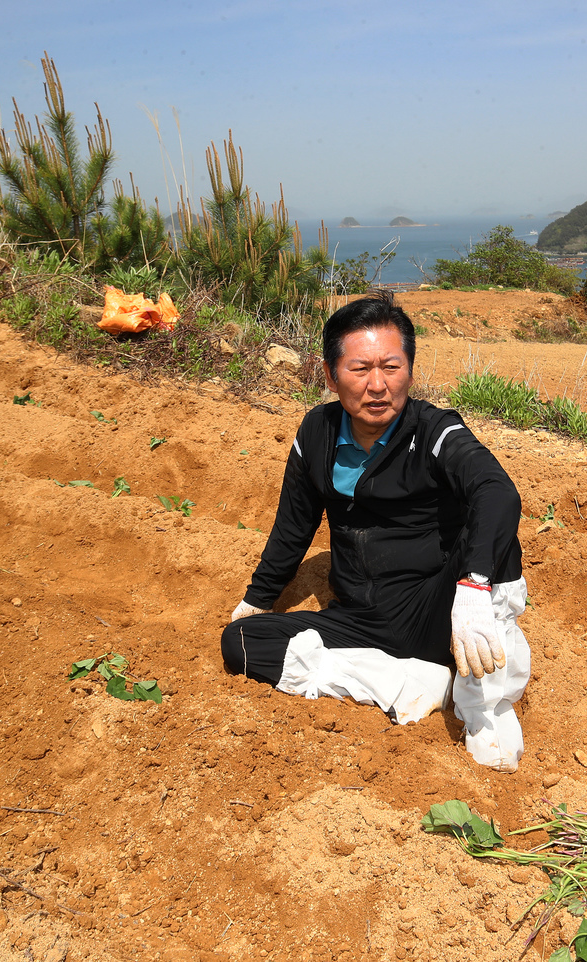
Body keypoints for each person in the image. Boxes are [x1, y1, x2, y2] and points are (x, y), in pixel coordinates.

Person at [221, 291, 530, 771]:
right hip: (362, 619)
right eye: (360, 369)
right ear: (330, 375)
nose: (377, 385)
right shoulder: (316, 433)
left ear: (410, 369)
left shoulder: (435, 431)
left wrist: (472, 585)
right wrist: (258, 599)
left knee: (493, 526)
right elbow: (293, 525)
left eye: (391, 367)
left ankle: (485, 706)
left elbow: (498, 491)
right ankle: (414, 683)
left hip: (438, 609)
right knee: (241, 642)